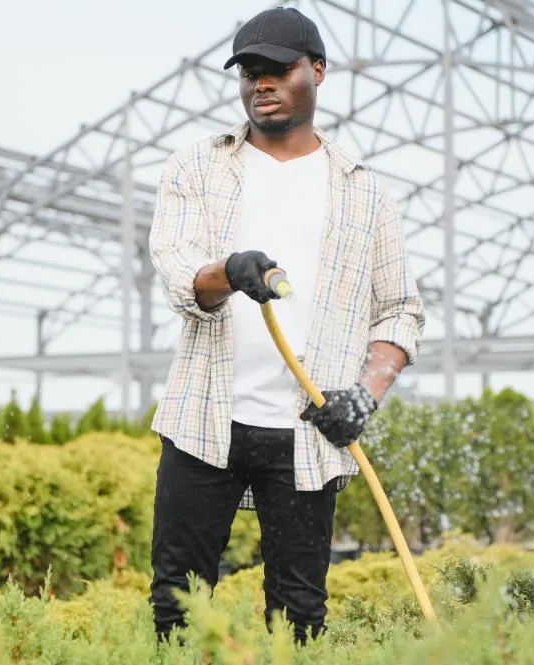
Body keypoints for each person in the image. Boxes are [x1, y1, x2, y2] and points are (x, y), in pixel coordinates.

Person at [147, 6, 425, 645]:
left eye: (277, 70)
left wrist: (365, 394)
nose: (260, 84)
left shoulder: (363, 191)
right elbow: (180, 273)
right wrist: (229, 271)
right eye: (249, 72)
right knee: (177, 611)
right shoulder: (198, 166)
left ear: (318, 72)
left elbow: (400, 309)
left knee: (298, 619)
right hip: (203, 420)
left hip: (308, 431)